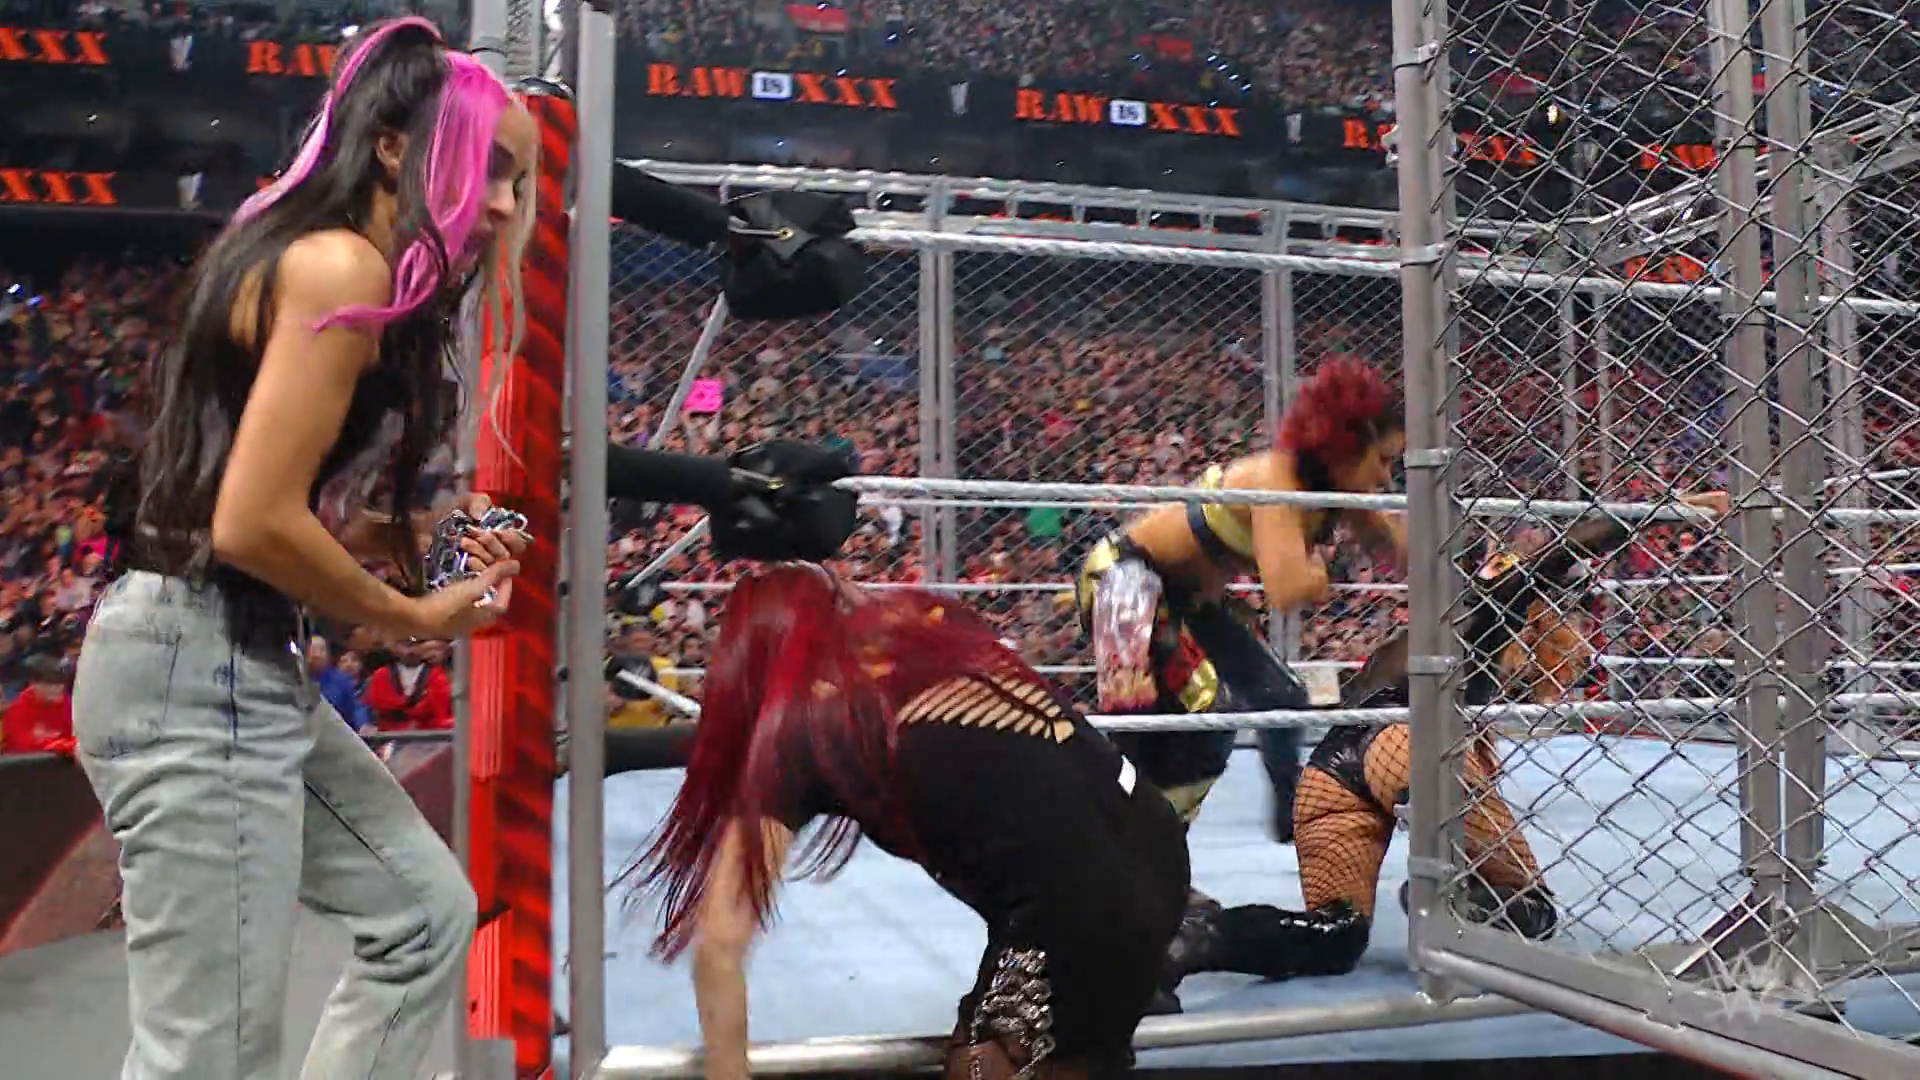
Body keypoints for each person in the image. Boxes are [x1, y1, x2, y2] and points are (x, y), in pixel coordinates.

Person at [72, 18, 534, 1080]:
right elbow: (248, 523)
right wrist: (407, 614)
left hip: (227, 660)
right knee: (208, 1056)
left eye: (516, 180)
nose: (506, 205)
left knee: (422, 916)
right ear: (393, 150)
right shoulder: (340, 266)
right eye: (489, 170)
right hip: (196, 665)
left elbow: (241, 499)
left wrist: (403, 540)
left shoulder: (307, 251)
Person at [621, 564, 1190, 1080]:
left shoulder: (806, 731)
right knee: (1067, 1047)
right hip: (1160, 851)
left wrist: (727, 1073)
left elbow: (719, 943)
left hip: (1079, 912)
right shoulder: (936, 632)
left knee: (988, 1064)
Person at [1156, 492, 1731, 998]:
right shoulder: (1488, 614)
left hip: (1331, 771)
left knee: (1335, 935)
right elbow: (1556, 554)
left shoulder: (1414, 639)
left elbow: (1357, 706)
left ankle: (1196, 941)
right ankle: (1453, 905)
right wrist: (1667, 510)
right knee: (1532, 907)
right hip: (1407, 746)